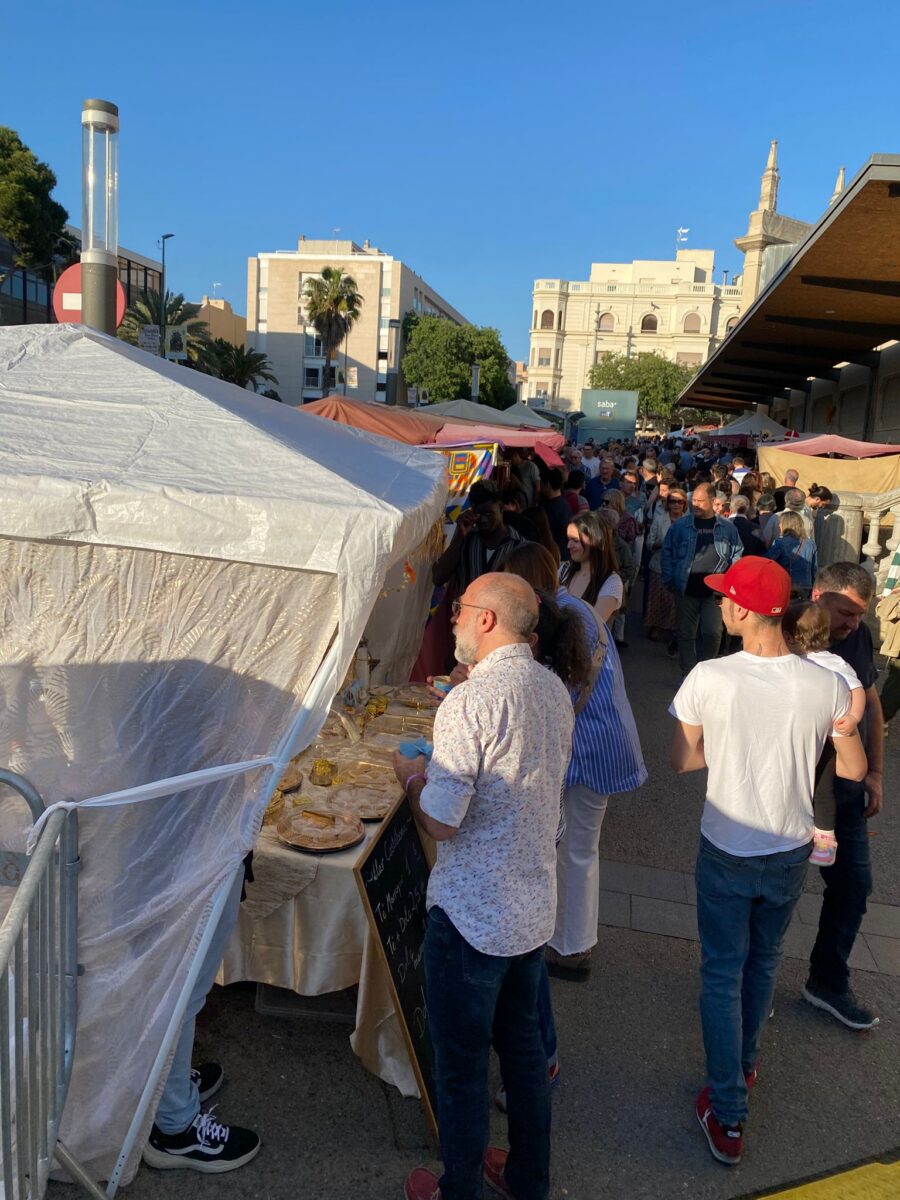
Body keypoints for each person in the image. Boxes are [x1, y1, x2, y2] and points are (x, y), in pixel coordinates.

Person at [669, 558, 867, 1167]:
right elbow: (853, 769)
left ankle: (728, 1111)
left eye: (724, 598)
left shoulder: (709, 676)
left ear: (742, 609)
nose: (720, 606)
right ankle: (745, 1066)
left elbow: (683, 759)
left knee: (722, 972)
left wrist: (733, 746)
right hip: (789, 848)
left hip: (728, 843)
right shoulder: (825, 683)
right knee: (762, 962)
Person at [395, 573, 573, 1200]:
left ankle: (460, 1189)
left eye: (460, 609)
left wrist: (411, 777)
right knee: (523, 1056)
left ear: (488, 619)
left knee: (463, 1068)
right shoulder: (552, 688)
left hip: (472, 916)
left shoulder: (470, 702)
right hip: (529, 908)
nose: (452, 618)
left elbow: (442, 821)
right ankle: (527, 1179)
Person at [500, 544, 646, 982]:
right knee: (574, 845)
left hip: (590, 743)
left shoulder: (568, 615)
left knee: (577, 848)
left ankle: (571, 947)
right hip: (591, 740)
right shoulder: (570, 608)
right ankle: (566, 939)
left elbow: (562, 688)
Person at [805, 563, 884, 1030]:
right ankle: (751, 984)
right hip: (791, 790)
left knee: (853, 885)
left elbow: (871, 704)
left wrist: (876, 773)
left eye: (860, 615)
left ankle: (827, 981)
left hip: (844, 789)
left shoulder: (859, 638)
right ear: (818, 596)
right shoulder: (786, 630)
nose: (853, 624)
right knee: (774, 892)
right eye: (846, 612)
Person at [142, 868, 260, 1172]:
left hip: (207, 851)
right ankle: (174, 1127)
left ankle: (170, 1087)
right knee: (179, 991)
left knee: (186, 988)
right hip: (179, 859)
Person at [783, 600, 866, 866]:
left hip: (826, 737)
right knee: (814, 785)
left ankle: (825, 839)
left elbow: (857, 689)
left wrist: (852, 717)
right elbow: (858, 689)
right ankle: (820, 836)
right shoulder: (829, 661)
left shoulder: (830, 663)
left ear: (790, 636)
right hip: (814, 732)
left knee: (821, 786)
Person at [661, 482, 743, 675]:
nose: (695, 505)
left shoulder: (727, 528)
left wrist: (729, 582)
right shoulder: (681, 526)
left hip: (714, 593)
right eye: (693, 501)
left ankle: (706, 671)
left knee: (713, 633)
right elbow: (667, 552)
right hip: (686, 589)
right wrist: (669, 578)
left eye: (700, 501)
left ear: (713, 501)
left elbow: (737, 553)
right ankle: (688, 674)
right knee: (685, 633)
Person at [432, 480, 524, 592]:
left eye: (488, 514)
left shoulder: (519, 546)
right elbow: (437, 578)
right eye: (477, 514)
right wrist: (460, 537)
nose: (483, 520)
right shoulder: (466, 540)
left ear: (501, 508)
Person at [559, 512, 622, 626]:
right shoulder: (565, 570)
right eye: (568, 539)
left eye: (575, 540)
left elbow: (592, 626)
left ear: (596, 541)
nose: (568, 545)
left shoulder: (611, 582)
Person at [644, 488, 684, 648]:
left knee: (674, 600)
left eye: (680, 502)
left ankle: (672, 629)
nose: (676, 505)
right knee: (657, 598)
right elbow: (649, 542)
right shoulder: (660, 519)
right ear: (668, 503)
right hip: (659, 563)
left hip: (680, 566)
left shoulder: (689, 522)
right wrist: (661, 544)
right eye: (673, 501)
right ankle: (654, 626)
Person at [765, 511, 817, 595]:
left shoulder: (780, 542)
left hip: (787, 584)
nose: (779, 525)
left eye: (780, 523)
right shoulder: (811, 544)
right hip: (806, 586)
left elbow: (768, 560)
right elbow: (814, 568)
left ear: (785, 525)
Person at [541, 468, 573, 560]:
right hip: (562, 553)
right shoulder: (564, 504)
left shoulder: (551, 508)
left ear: (547, 485)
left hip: (556, 555)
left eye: (542, 484)